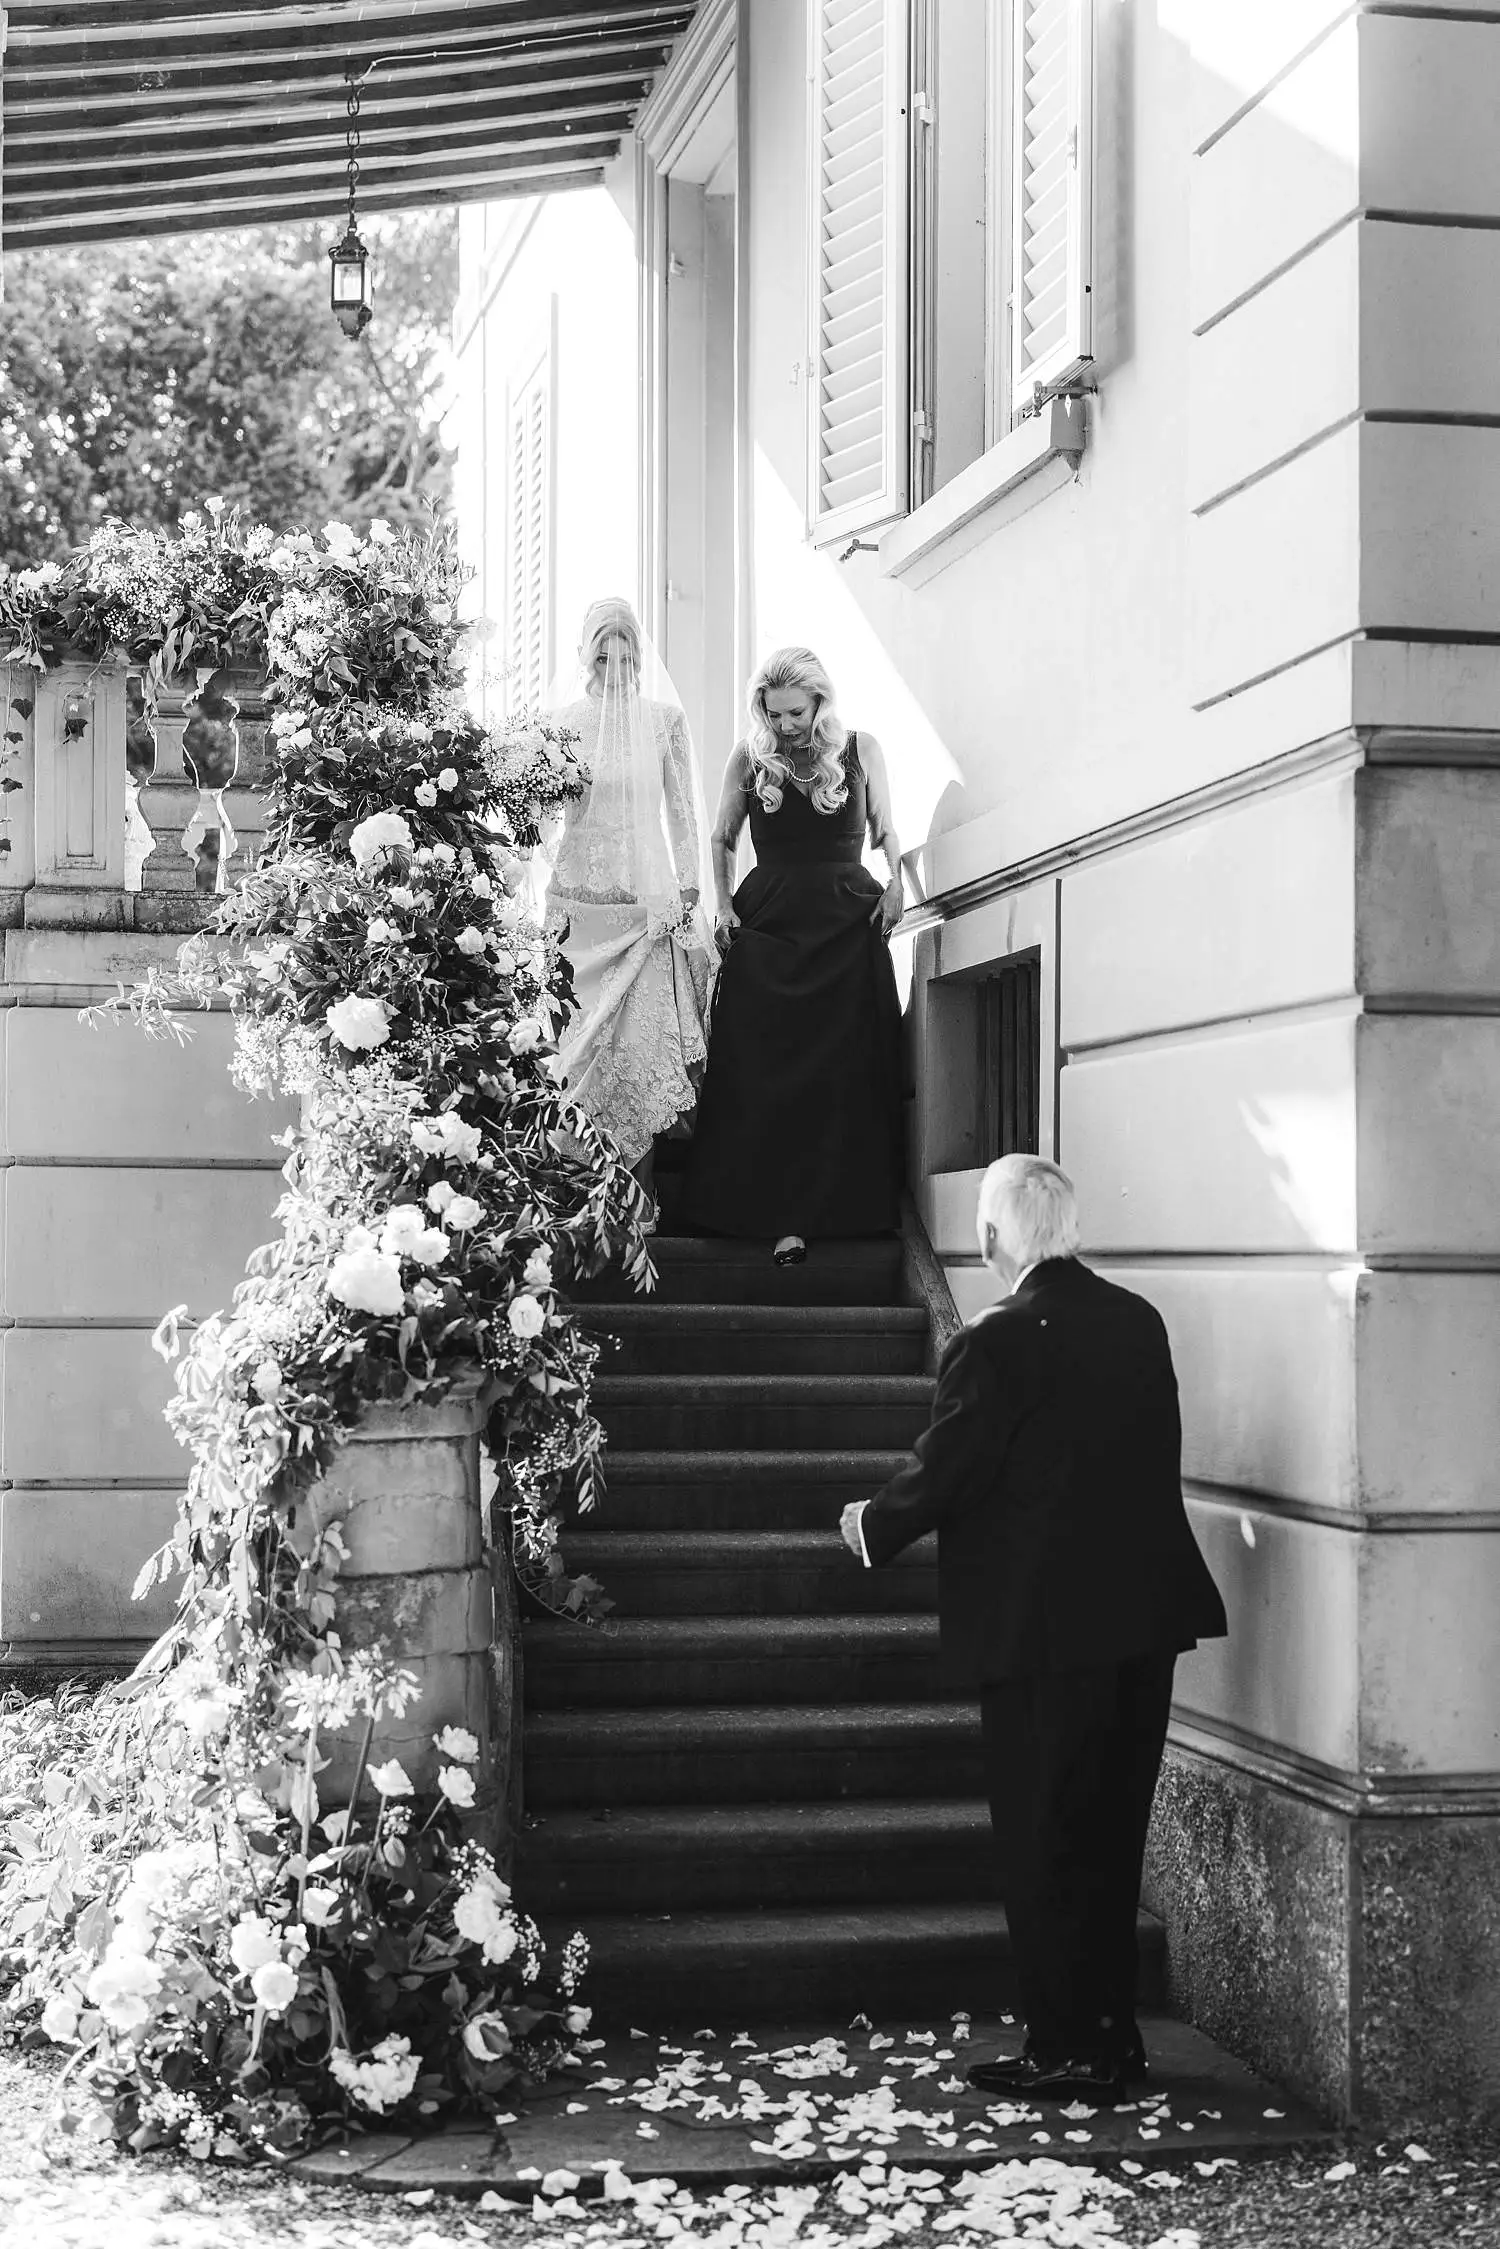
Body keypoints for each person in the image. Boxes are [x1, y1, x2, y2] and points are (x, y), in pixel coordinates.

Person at [841, 1155, 1228, 2104]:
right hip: (1141, 1625)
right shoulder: (1138, 1320)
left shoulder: (997, 1338)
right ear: (1070, 1228)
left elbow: (952, 1468)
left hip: (1045, 1638)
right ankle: (1111, 2041)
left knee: (1044, 1839)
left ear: (989, 1238)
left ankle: (1067, 2046)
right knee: (1108, 1835)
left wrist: (873, 1522)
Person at [680, 646, 906, 1263]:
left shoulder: (862, 750)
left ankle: (842, 1214)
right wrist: (722, 906)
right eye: (773, 713)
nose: (784, 726)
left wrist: (897, 884)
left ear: (820, 703)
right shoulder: (750, 756)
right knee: (762, 1067)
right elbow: (722, 838)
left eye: (795, 712)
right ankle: (771, 1215)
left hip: (845, 921)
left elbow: (886, 829)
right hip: (771, 922)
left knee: (845, 1072)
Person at [540, 598, 715, 1200]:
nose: (615, 664)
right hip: (578, 909)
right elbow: (537, 818)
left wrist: (689, 884)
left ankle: (639, 1198)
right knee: (579, 1051)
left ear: (640, 655)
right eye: (603, 653)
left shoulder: (664, 720)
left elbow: (683, 811)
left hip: (647, 907)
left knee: (637, 1047)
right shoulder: (561, 723)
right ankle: (579, 1196)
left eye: (626, 652)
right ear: (586, 655)